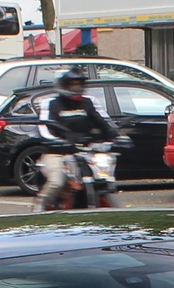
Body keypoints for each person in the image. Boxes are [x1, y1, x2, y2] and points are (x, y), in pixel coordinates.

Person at [35, 71, 123, 210]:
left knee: (103, 177)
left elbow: (105, 122)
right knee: (57, 182)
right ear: (62, 85)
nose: (76, 87)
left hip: (87, 151)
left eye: (78, 84)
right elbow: (43, 128)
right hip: (58, 152)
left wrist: (118, 136)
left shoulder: (89, 102)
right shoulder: (50, 103)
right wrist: (57, 141)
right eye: (72, 84)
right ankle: (38, 211)